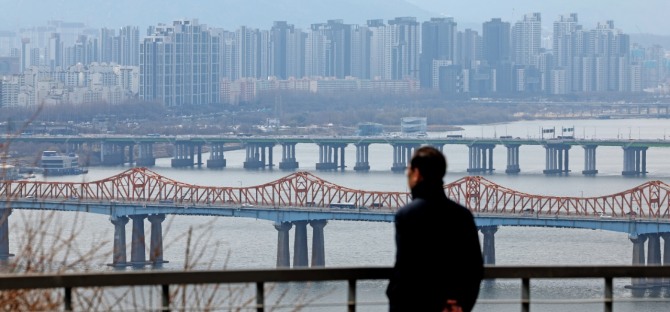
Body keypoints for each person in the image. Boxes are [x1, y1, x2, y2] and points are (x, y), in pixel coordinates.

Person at [386, 146, 484, 312]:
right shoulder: (463, 215)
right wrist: (460, 304)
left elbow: (407, 271)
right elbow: (474, 269)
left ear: (416, 174)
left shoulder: (407, 215)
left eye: (408, 169)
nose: (407, 174)